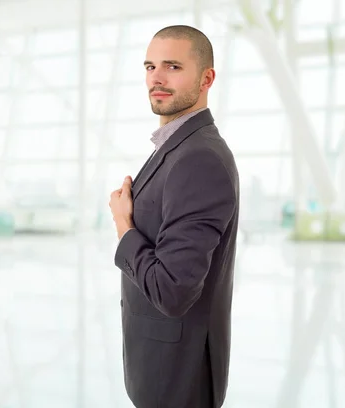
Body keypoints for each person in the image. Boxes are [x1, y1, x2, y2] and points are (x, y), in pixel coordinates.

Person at [108, 24, 240, 408]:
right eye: (150, 66)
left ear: (206, 78)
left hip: (178, 380)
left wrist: (123, 226)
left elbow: (173, 290)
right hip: (160, 369)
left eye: (173, 66)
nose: (157, 78)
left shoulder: (199, 158)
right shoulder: (176, 147)